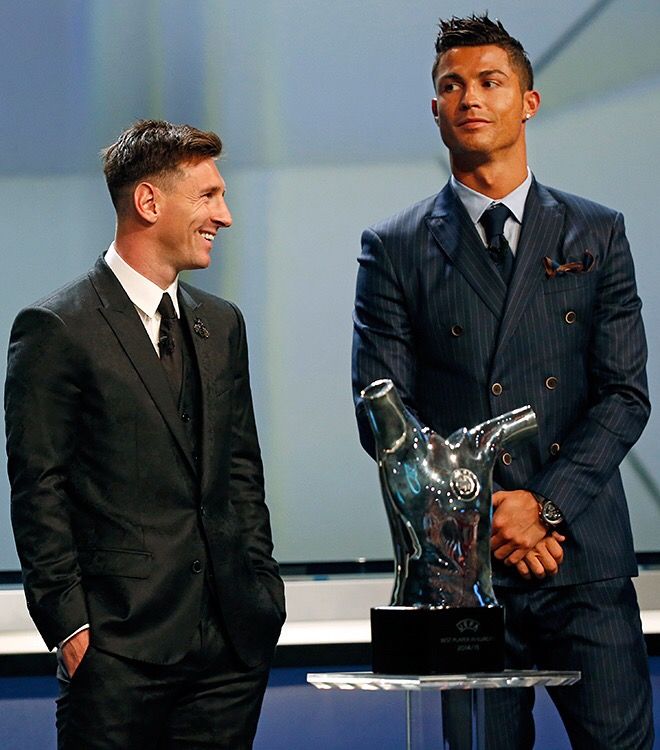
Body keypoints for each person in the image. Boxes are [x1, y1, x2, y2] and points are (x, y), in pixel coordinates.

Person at [352, 14, 653, 749]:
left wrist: (542, 508)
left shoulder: (596, 232)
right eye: (451, 86)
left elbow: (625, 394)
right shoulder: (392, 248)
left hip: (580, 558)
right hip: (462, 575)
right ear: (435, 110)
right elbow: (383, 417)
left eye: (490, 81)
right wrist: (488, 512)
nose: (470, 98)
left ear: (528, 101)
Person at [5, 119, 285, 749]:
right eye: (209, 196)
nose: (227, 215)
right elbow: (37, 487)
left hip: (230, 649)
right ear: (149, 202)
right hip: (116, 649)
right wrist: (69, 626)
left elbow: (241, 469)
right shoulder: (56, 328)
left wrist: (263, 593)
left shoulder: (223, 323)